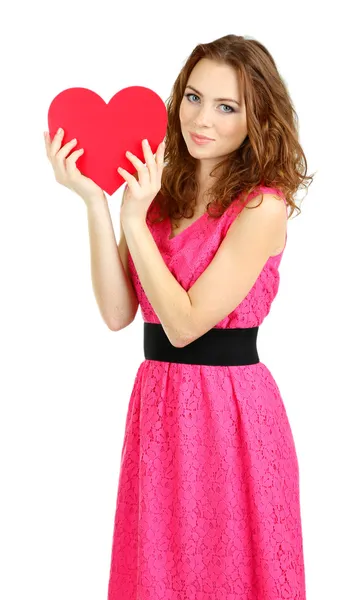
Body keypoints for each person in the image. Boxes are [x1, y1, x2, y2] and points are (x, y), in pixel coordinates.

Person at [44, 33, 313, 600]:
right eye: (193, 97)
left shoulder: (262, 205)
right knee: (162, 572)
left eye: (227, 106)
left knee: (231, 573)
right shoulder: (160, 189)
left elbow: (186, 324)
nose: (202, 120)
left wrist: (136, 222)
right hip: (160, 410)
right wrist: (99, 202)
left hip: (231, 417)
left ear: (256, 118)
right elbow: (119, 314)